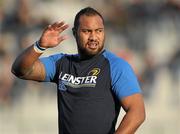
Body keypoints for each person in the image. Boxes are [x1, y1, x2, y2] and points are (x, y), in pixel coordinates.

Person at [11, 7, 145, 134]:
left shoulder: (116, 66)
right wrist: (40, 46)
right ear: (75, 33)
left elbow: (137, 112)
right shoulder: (61, 63)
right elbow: (20, 70)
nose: (93, 37)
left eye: (98, 31)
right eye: (87, 31)